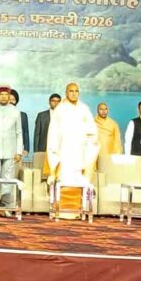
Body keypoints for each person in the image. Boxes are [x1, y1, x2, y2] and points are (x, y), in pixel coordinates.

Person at [45, 83, 99, 218]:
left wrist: (89, 143)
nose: (74, 93)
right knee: (64, 180)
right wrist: (54, 153)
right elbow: (53, 133)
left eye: (76, 91)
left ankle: (76, 212)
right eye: (71, 91)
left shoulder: (84, 109)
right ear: (66, 93)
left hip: (80, 152)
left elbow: (92, 131)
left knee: (78, 181)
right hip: (64, 152)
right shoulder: (60, 109)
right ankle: (62, 211)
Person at [8, 89, 30, 158]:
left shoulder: (23, 115)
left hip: (18, 149)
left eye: (13, 99)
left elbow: (26, 133)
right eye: (9, 99)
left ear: (16, 101)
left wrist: (26, 148)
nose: (11, 101)